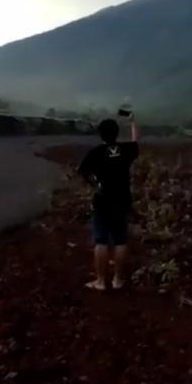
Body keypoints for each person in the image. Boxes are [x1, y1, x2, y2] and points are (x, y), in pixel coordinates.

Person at [77, 114, 139, 290]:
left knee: (101, 241)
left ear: (101, 134)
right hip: (122, 200)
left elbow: (81, 172)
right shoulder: (126, 150)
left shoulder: (95, 152)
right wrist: (133, 121)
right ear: (117, 133)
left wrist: (94, 185)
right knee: (120, 240)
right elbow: (135, 141)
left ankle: (101, 281)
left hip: (103, 199)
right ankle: (118, 280)